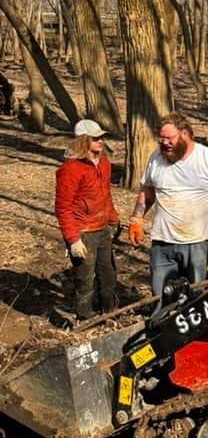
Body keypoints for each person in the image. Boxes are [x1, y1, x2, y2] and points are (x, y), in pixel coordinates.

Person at [128, 112, 208, 305]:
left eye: (169, 138)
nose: (165, 143)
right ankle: (159, 328)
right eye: (162, 138)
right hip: (162, 240)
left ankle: (192, 330)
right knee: (161, 294)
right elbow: (148, 191)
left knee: (194, 293)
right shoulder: (156, 158)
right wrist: (136, 219)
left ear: (185, 135)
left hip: (196, 240)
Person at [55, 119, 119, 320]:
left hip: (102, 227)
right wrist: (73, 239)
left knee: (107, 273)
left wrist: (113, 219)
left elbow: (106, 194)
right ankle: (85, 317)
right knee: (85, 279)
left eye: (101, 137)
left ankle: (108, 312)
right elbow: (62, 207)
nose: (101, 141)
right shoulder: (71, 169)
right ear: (83, 140)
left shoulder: (104, 163)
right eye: (96, 138)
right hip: (83, 230)